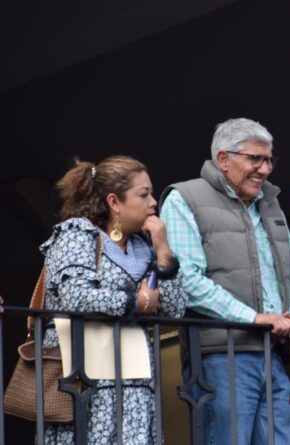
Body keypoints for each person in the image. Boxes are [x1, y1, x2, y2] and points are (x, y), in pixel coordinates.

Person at [160, 118, 290, 445]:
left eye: (269, 159)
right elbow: (187, 281)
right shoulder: (184, 198)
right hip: (221, 355)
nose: (265, 169)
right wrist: (255, 319)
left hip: (274, 353)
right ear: (223, 159)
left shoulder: (269, 203)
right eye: (254, 159)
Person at [41, 156, 186, 444]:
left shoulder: (144, 246)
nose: (153, 202)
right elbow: (75, 297)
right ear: (114, 202)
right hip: (84, 380)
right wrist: (135, 303)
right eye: (143, 194)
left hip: (135, 380)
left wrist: (164, 252)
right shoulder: (76, 236)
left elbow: (175, 308)